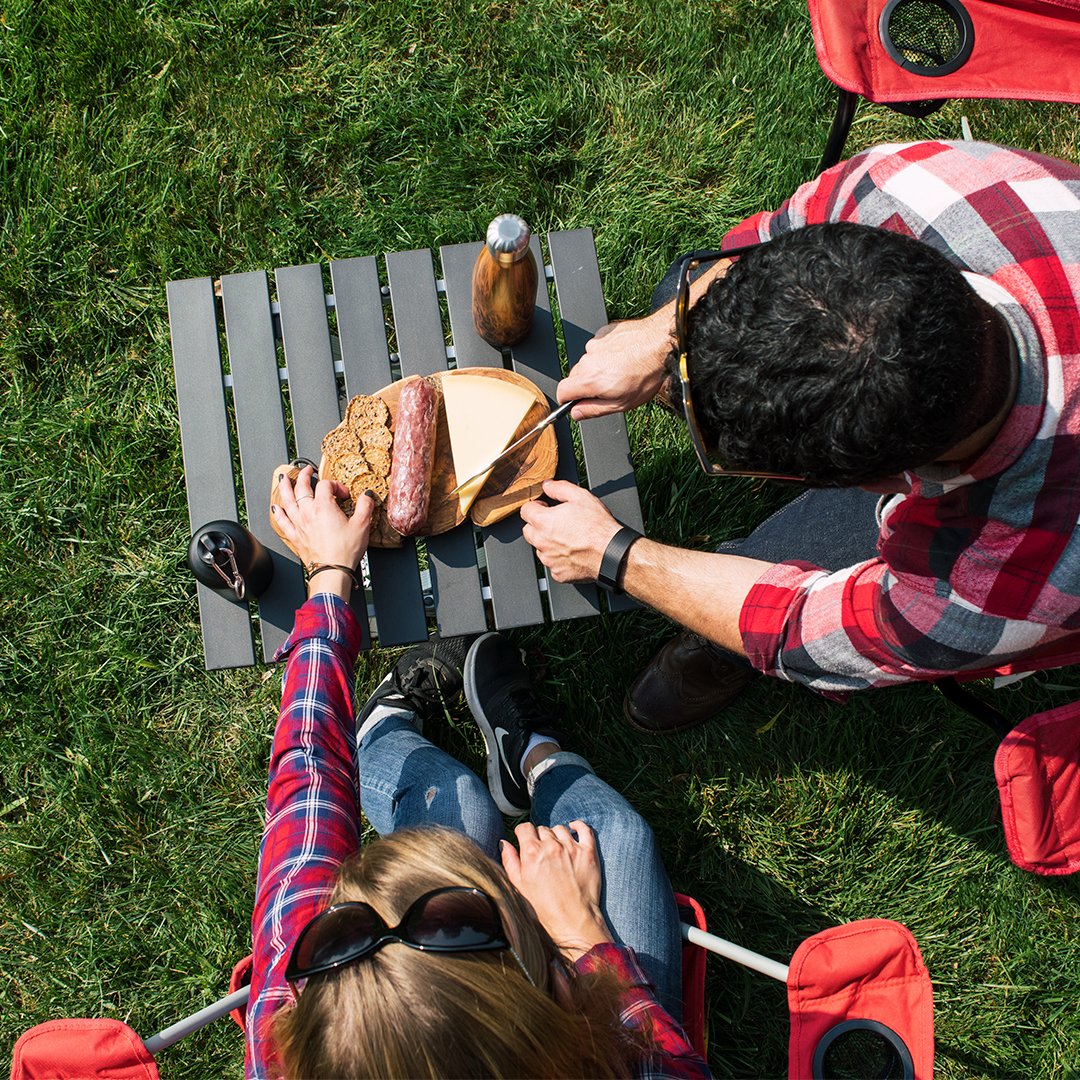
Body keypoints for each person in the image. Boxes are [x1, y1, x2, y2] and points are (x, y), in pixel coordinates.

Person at [519, 139, 1080, 734]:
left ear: (876, 485)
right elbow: (772, 241)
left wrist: (614, 555)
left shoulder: (989, 582)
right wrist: (660, 334)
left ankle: (723, 649)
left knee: (777, 561)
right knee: (671, 293)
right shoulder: (907, 188)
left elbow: (793, 622)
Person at [244, 465, 710, 1078]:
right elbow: (659, 1063)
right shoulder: (585, 1050)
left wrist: (330, 578)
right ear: (557, 1001)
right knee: (613, 836)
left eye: (340, 932)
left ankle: (381, 731)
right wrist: (584, 936)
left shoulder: (304, 1016)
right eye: (478, 919)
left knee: (460, 800)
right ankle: (537, 756)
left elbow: (308, 772)